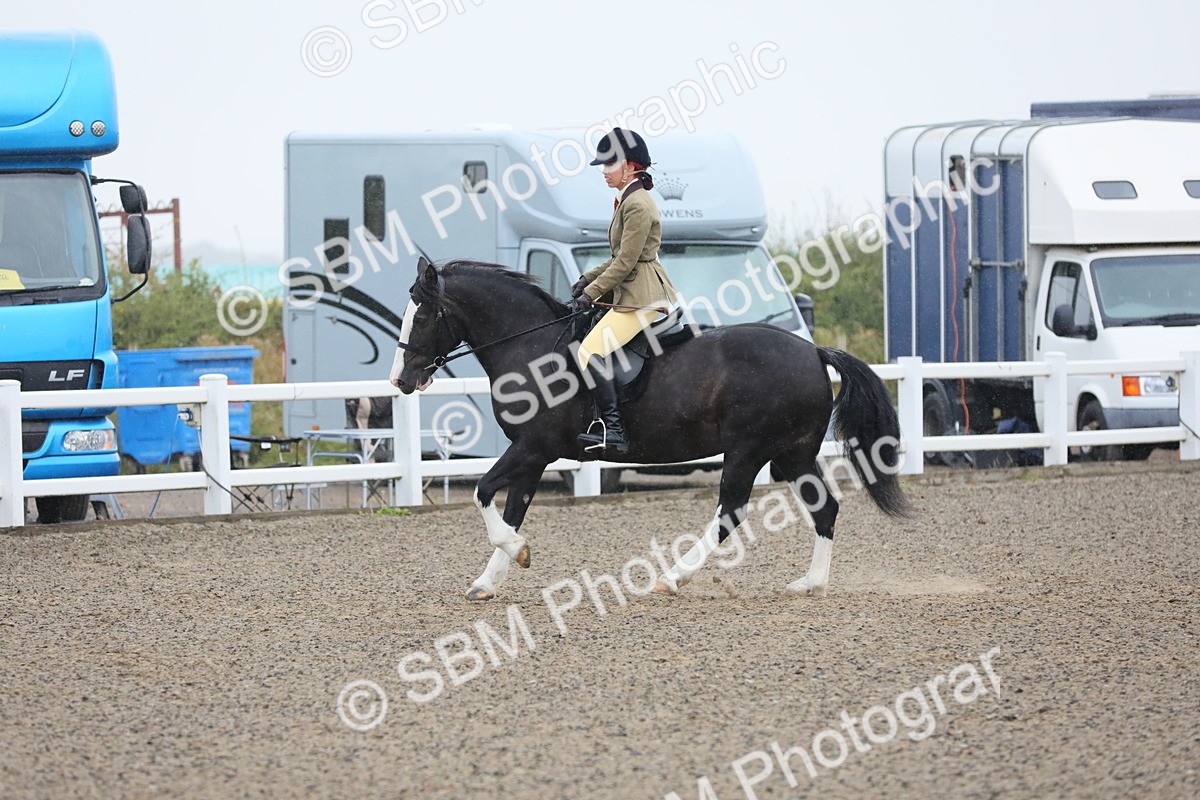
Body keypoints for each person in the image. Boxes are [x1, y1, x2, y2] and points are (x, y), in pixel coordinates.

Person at [571, 128, 678, 454]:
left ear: (631, 166)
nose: (603, 171)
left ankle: (613, 430)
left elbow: (627, 263)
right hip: (636, 288)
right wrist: (586, 280)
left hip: (642, 296)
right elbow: (618, 258)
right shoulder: (628, 199)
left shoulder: (637, 205)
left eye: (609, 164)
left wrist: (592, 293)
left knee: (589, 351)